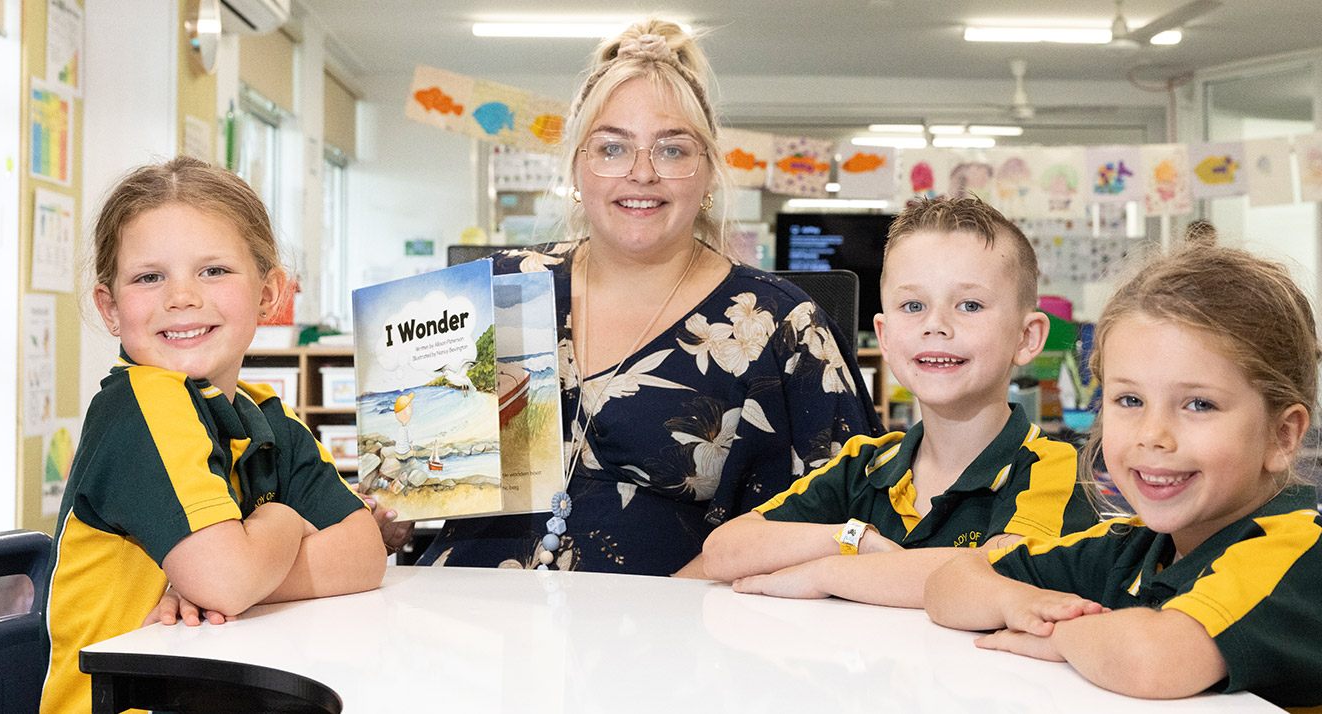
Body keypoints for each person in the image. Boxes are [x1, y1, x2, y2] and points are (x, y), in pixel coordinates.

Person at [370, 18, 881, 576]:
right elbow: (412, 480)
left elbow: (845, 524)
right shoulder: (496, 291)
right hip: (467, 628)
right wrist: (386, 513)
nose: (641, 173)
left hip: (676, 642)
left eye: (672, 149)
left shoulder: (782, 330)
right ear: (577, 168)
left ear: (708, 172)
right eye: (612, 148)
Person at [41, 157, 386, 713]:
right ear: (110, 307)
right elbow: (225, 580)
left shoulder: (265, 413)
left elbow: (365, 552)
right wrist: (283, 521)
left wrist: (243, 577)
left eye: (214, 271)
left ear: (269, 293)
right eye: (150, 277)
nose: (181, 297)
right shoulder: (139, 406)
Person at [925, 229, 1322, 708]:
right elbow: (950, 582)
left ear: (1283, 436)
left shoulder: (1297, 551)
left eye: (1198, 404)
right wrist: (1020, 604)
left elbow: (1154, 658)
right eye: (1129, 400)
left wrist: (1059, 637)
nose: (1152, 434)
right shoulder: (1131, 548)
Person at [696, 196, 1098, 607]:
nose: (936, 325)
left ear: (1027, 337)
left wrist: (825, 572)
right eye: (913, 306)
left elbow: (998, 573)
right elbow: (723, 553)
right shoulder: (865, 465)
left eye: (970, 305)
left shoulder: (1053, 468)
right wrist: (854, 539)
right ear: (885, 337)